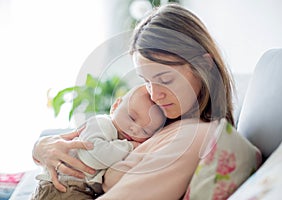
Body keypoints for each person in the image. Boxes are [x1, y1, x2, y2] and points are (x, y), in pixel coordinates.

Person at [32, 3, 236, 199]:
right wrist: (42, 147)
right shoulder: (163, 113)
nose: (155, 96)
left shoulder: (196, 136)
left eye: (166, 79)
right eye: (147, 81)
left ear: (203, 66)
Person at [31, 85, 166, 199]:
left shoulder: (118, 141)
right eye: (131, 117)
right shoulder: (101, 123)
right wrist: (129, 146)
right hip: (60, 187)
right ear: (115, 106)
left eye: (145, 131)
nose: (134, 130)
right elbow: (94, 155)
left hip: (79, 190)